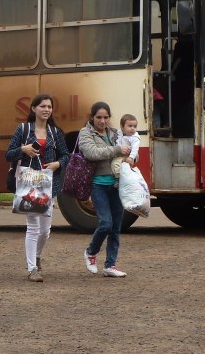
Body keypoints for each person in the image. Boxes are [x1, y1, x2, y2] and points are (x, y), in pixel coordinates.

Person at [5, 94, 70, 283]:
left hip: (49, 184)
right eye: (42, 106)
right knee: (33, 228)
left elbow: (66, 155)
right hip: (29, 182)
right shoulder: (23, 129)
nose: (47, 109)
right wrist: (22, 150)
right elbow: (7, 154)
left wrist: (57, 164)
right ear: (33, 108)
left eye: (49, 106)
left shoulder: (55, 132)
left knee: (45, 231)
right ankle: (32, 268)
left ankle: (37, 257)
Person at [78, 102, 131, 278]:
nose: (102, 121)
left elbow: (129, 150)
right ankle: (91, 252)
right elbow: (92, 153)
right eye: (99, 117)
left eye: (106, 117)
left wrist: (132, 156)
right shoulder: (85, 133)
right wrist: (117, 149)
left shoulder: (116, 133)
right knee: (105, 223)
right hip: (98, 184)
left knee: (116, 226)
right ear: (92, 117)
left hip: (117, 184)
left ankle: (110, 265)